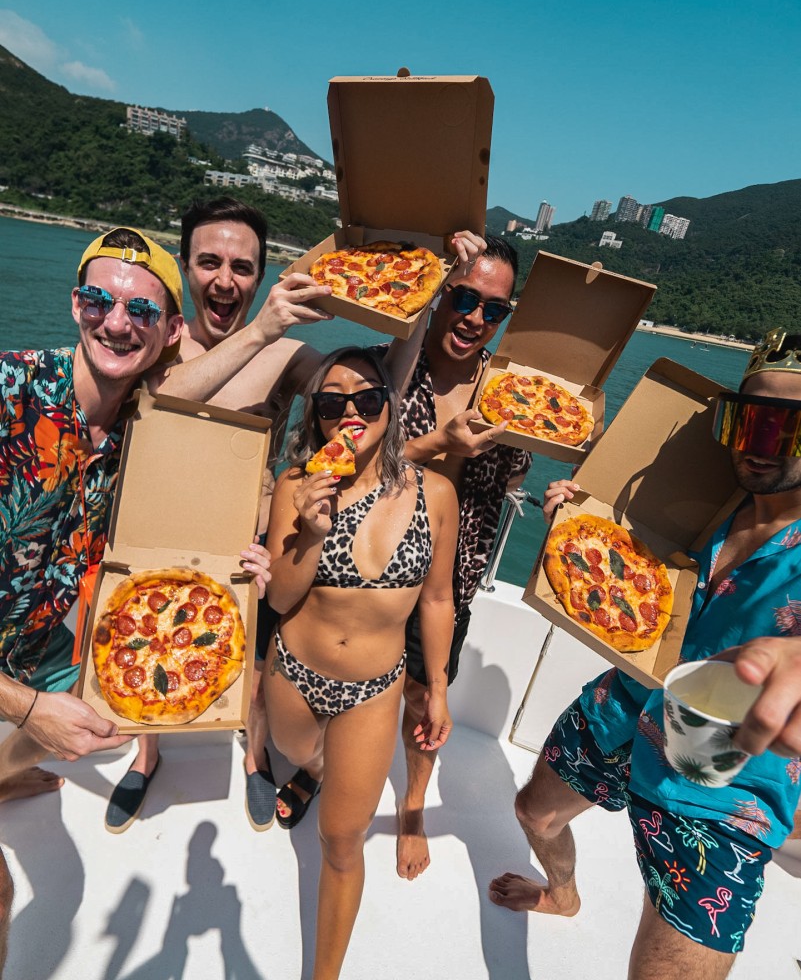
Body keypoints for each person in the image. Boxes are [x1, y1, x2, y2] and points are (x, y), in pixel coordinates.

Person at [106, 197, 486, 832]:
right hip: (160, 525)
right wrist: (260, 330)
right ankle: (146, 758)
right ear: (185, 265)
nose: (225, 280)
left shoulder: (286, 356)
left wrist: (429, 292)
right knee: (147, 647)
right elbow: (155, 408)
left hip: (250, 540)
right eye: (209, 262)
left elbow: (376, 389)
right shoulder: (158, 341)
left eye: (242, 267)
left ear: (262, 276)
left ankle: (255, 759)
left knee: (258, 669)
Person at [489, 328, 801, 980]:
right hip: (628, 704)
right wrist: (578, 526)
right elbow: (641, 561)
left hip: (728, 780)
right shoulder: (718, 495)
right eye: (746, 420)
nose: (758, 443)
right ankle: (563, 895)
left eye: (787, 427)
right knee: (533, 814)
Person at [0, 225, 272, 970]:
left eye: (142, 311)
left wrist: (241, 562)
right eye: (99, 300)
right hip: (12, 677)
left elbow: (197, 488)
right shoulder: (7, 393)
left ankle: (5, 773)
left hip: (36, 642)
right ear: (75, 304)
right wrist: (26, 707)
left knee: (88, 718)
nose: (117, 322)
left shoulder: (139, 426)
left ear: (170, 332)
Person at [263, 346, 458, 980]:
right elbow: (280, 599)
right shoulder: (296, 485)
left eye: (367, 398)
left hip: (374, 689)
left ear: (389, 408)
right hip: (294, 670)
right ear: (317, 416)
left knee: (342, 841)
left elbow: (437, 599)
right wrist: (310, 531)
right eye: (332, 402)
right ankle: (316, 767)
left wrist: (437, 688)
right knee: (296, 752)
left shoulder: (436, 493)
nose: (351, 412)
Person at [375, 235, 533, 879]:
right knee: (346, 677)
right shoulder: (389, 366)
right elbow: (349, 463)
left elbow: (516, 473)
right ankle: (321, 766)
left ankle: (413, 803)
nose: (475, 318)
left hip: (450, 581)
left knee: (422, 699)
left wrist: (570, 488)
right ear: (438, 294)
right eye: (464, 298)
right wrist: (439, 443)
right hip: (372, 565)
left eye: (494, 309)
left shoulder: (510, 390)